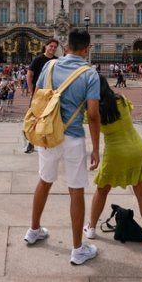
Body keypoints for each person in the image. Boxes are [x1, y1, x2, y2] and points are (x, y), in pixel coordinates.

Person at [24, 29, 101, 266]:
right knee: (76, 190)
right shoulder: (90, 74)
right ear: (87, 48)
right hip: (73, 137)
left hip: (48, 133)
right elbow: (93, 115)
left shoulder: (49, 66)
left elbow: (37, 97)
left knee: (44, 181)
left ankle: (34, 230)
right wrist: (96, 149)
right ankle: (78, 249)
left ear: (66, 45)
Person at [84, 76, 142, 249]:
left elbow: (87, 120)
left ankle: (92, 228)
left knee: (101, 191)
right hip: (137, 148)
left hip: (115, 151)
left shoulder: (92, 110)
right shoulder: (122, 99)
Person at [25, 38, 59, 153]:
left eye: (55, 47)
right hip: (38, 93)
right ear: (46, 46)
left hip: (50, 94)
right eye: (51, 46)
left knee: (50, 117)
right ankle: (31, 142)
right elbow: (29, 75)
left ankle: (48, 139)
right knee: (34, 117)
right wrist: (31, 90)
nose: (53, 48)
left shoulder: (57, 60)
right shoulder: (38, 59)